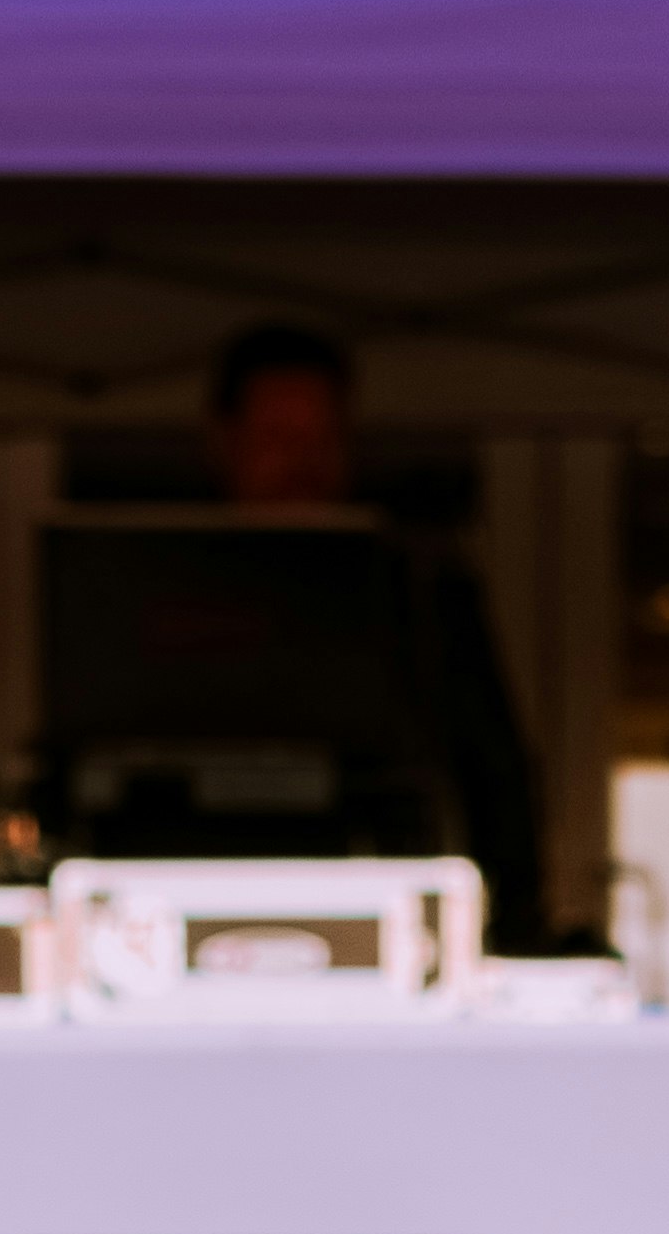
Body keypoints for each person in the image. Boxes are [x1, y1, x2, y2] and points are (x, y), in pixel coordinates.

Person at [197, 318, 561, 944]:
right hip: (203, 908)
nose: (302, 464)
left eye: (322, 438)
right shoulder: (176, 591)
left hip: (390, 922)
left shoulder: (420, 591)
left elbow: (496, 776)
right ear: (224, 442)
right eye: (279, 437)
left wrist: (510, 932)